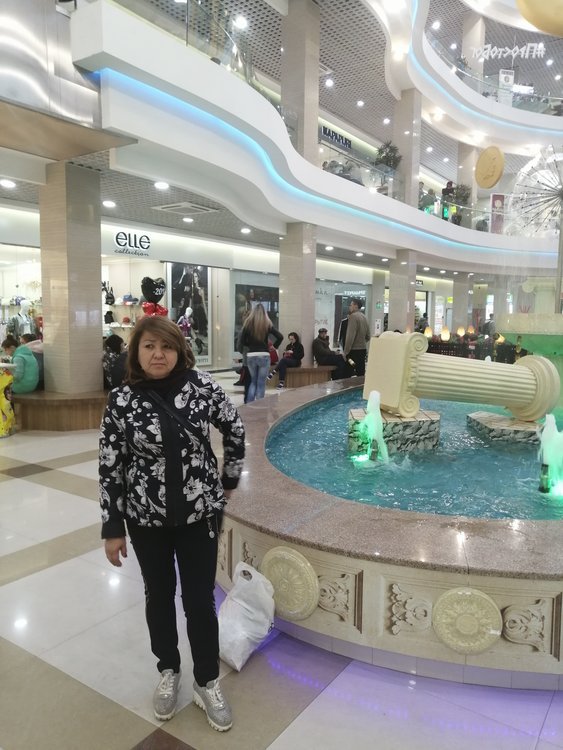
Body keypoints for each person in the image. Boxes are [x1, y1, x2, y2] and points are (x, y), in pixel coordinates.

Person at [99, 315, 245, 730]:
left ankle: (206, 680)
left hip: (199, 515)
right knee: (158, 595)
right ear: (136, 352)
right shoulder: (121, 400)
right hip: (146, 519)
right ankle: (168, 669)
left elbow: (234, 428)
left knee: (199, 600)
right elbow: (110, 465)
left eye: (166, 346)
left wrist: (228, 480)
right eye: (149, 346)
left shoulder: (201, 388)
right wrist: (112, 527)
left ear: (180, 351)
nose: (158, 354)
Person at [237, 303, 283, 402]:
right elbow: (280, 337)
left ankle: (249, 404)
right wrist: (274, 347)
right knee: (261, 383)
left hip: (251, 355)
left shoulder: (248, 324)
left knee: (253, 382)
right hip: (264, 355)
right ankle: (259, 404)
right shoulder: (267, 324)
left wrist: (251, 345)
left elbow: (242, 341)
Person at [343, 298, 371, 377]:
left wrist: (346, 352)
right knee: (360, 373)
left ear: (356, 306)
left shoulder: (353, 317)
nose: (349, 307)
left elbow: (350, 336)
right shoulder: (364, 317)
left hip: (353, 351)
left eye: (351, 305)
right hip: (362, 350)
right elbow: (368, 336)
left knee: (347, 374)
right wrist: (361, 342)